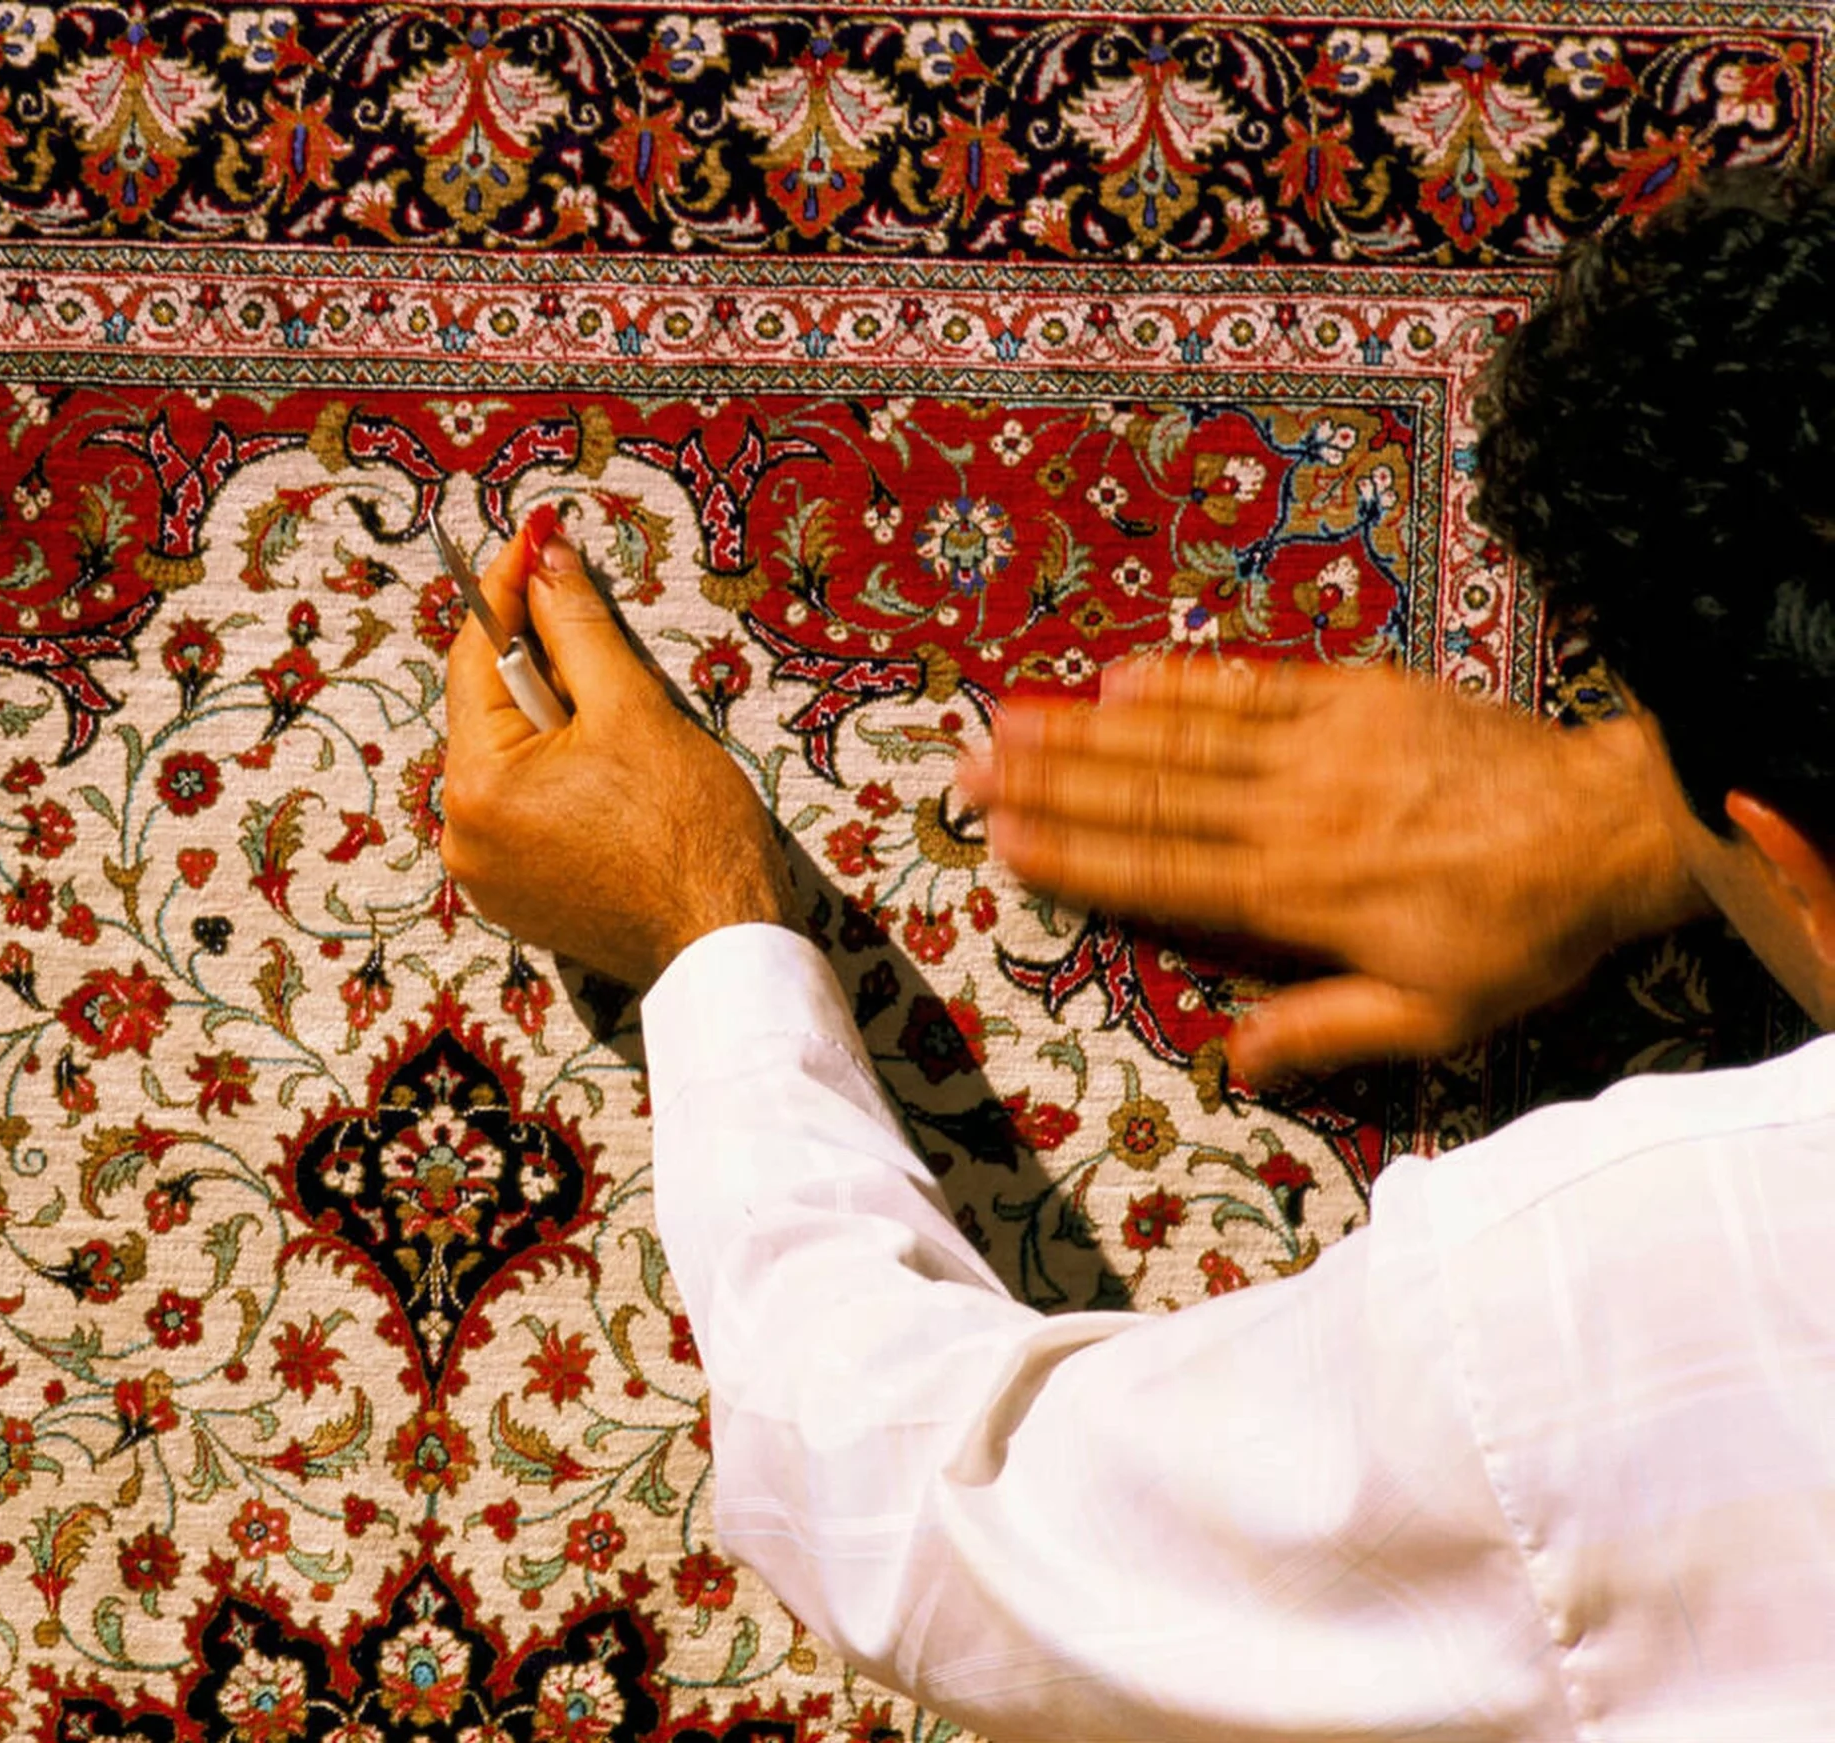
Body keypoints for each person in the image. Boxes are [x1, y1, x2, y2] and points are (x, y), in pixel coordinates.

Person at [438, 154, 1835, 1741]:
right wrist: (1653, 823)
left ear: (1791, 857)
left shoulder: (1621, 1309)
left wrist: (702, 922)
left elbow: (932, 1508)